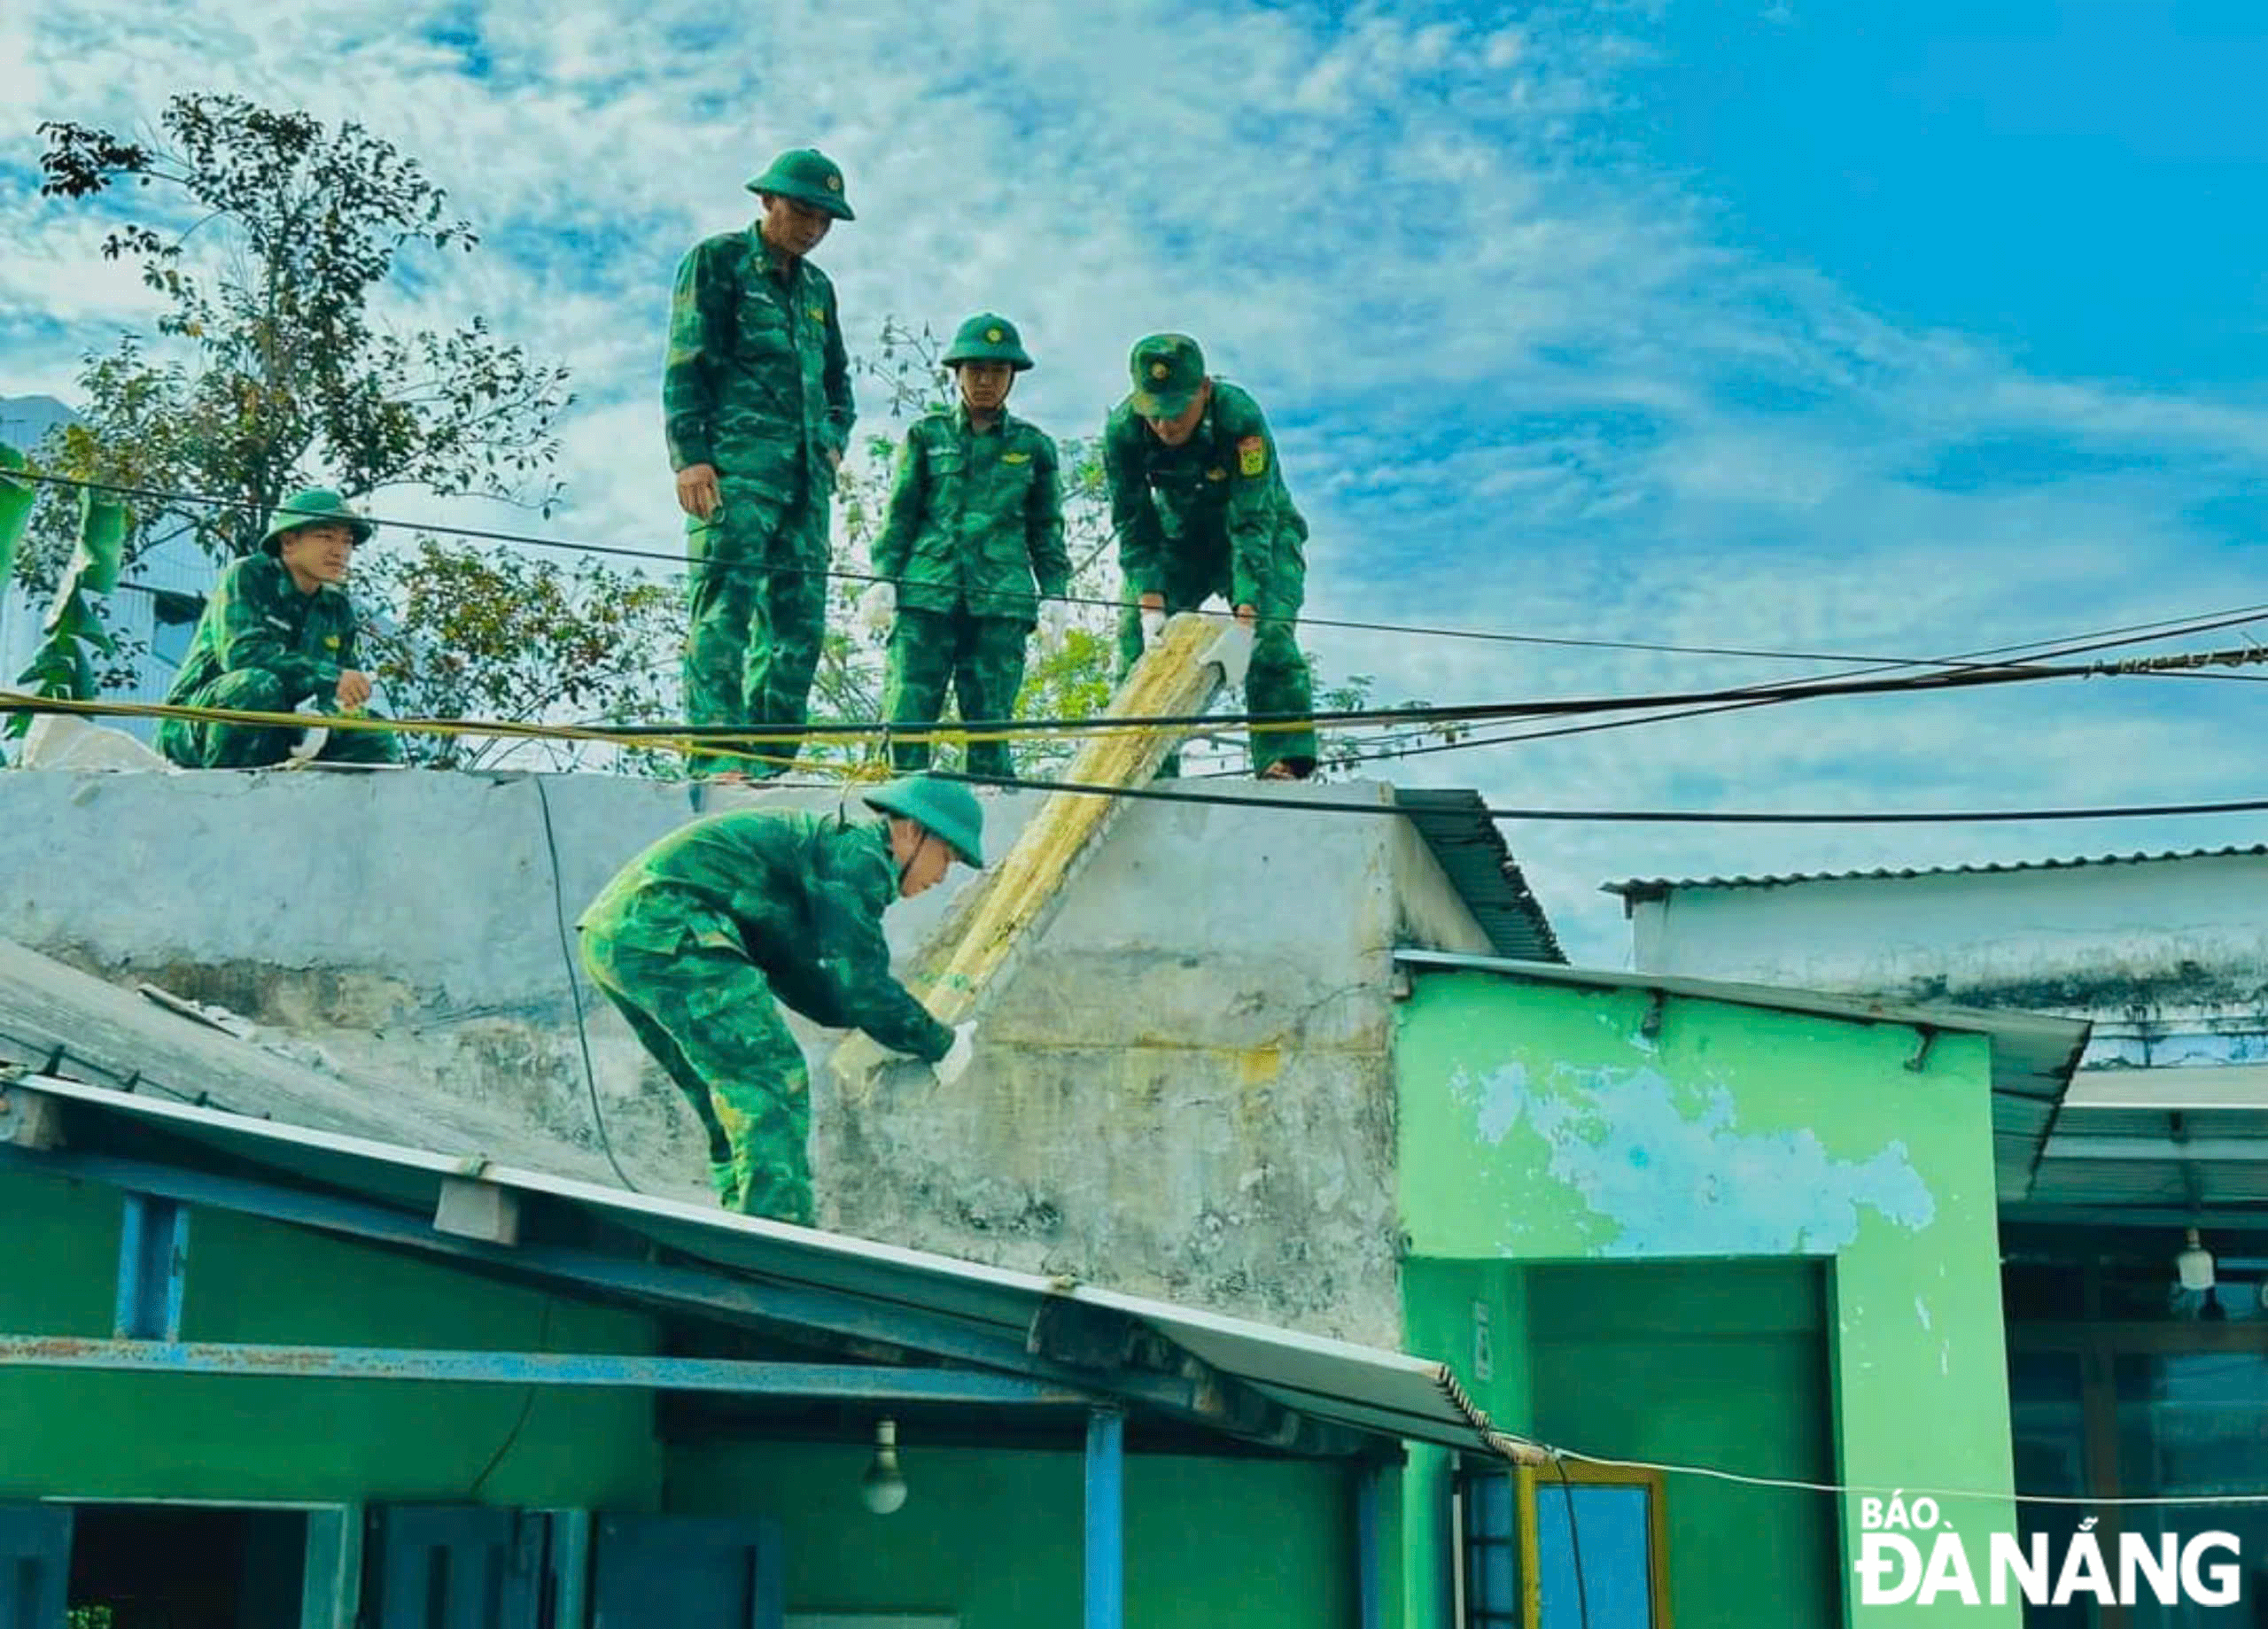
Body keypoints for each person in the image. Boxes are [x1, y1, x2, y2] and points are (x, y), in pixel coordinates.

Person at [576, 773, 985, 1225]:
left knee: (728, 1098)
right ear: (909, 831)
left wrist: (863, 1017)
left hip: (615, 937)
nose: (943, 876)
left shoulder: (832, 851)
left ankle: (744, 1225)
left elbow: (813, 977)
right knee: (770, 1079)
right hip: (671, 930)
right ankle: (776, 1235)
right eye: (945, 857)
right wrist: (940, 1044)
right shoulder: (860, 858)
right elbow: (861, 984)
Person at [663, 145, 857, 780]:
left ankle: (770, 767)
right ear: (767, 200)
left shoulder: (818, 290)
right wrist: (691, 458)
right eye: (803, 211)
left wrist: (832, 442)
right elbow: (688, 361)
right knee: (724, 613)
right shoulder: (718, 262)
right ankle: (718, 757)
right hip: (735, 474)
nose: (813, 228)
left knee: (797, 634)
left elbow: (839, 386)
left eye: (826, 219)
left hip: (805, 484)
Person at [859, 313, 1069, 780]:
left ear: (1012, 377)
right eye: (975, 370)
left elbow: (1046, 529)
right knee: (907, 717)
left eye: (997, 372)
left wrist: (1056, 592)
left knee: (990, 725)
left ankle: (989, 821)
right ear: (957, 373)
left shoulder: (1033, 447)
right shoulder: (926, 436)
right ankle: (901, 819)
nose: (985, 382)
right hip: (925, 594)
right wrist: (882, 578)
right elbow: (901, 515)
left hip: (1001, 601)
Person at [1099, 333, 1317, 780]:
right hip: (1180, 539)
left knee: (1271, 635)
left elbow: (1252, 520)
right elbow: (1133, 523)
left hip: (1261, 534)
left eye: (1176, 410)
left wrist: (1245, 615)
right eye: (1154, 411)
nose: (1165, 425)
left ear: (1203, 389)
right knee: (1136, 638)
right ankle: (1149, 767)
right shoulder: (1123, 431)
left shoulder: (1239, 419)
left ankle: (1284, 760)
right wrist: (1151, 603)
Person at [155, 488, 400, 770]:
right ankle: (227, 799)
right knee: (256, 687)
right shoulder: (247, 576)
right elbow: (242, 654)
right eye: (325, 537)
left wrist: (331, 710)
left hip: (288, 725)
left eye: (348, 542)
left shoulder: (337, 607)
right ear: (288, 541)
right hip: (202, 724)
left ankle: (326, 813)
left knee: (373, 732)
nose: (340, 551)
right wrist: (332, 677)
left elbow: (342, 687)